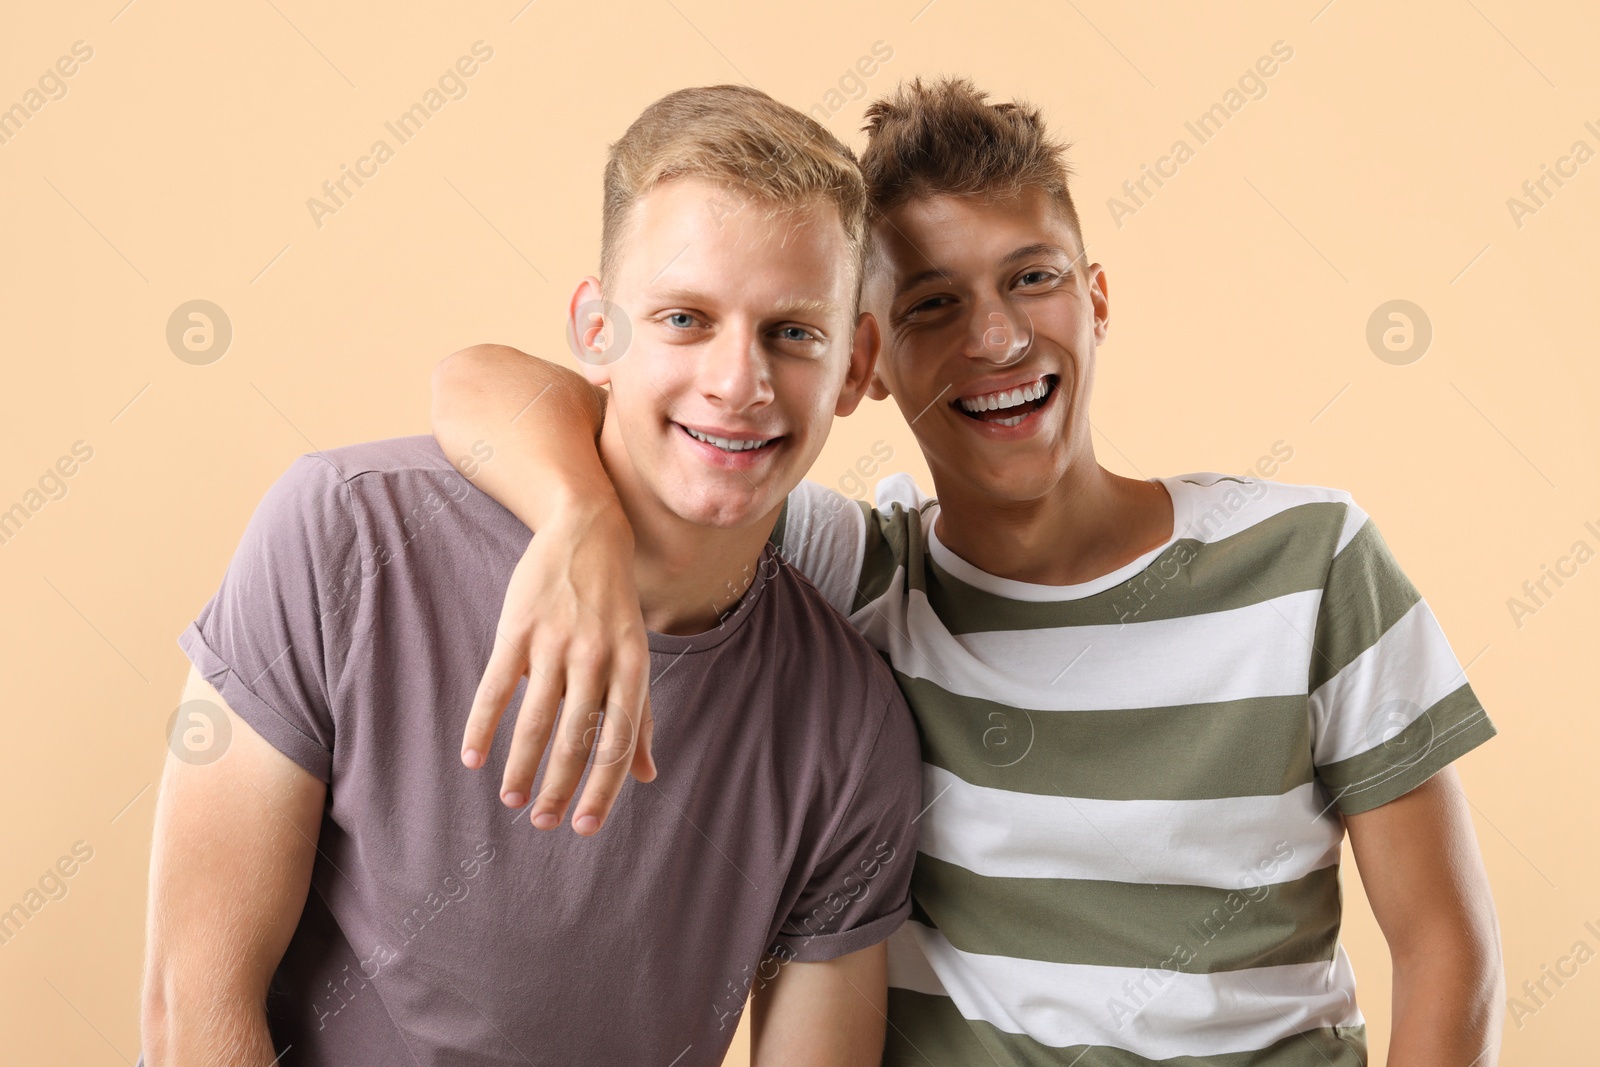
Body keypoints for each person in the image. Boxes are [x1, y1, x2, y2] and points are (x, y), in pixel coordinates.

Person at [430, 78, 1506, 1065]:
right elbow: (478, 382)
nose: (994, 337)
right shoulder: (853, 571)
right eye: (931, 304)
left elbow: (1446, 948)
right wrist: (578, 517)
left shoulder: (1309, 560)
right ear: (868, 361)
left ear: (1094, 298)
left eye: (1029, 279)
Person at [140, 85, 924, 1067]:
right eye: (683, 317)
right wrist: (576, 517)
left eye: (792, 332)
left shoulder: (850, 729)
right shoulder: (344, 534)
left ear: (855, 365)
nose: (737, 382)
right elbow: (192, 1011)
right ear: (597, 331)